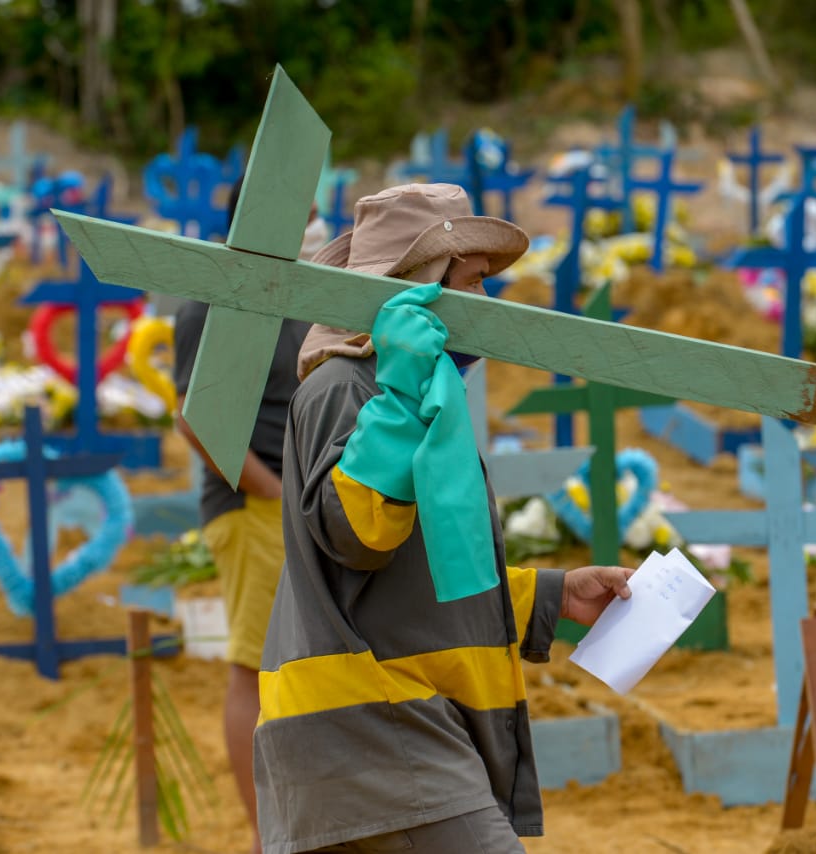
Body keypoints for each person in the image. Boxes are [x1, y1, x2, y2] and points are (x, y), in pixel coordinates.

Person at [253, 183, 636, 854]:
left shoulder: (406, 396)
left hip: (395, 725)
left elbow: (420, 577)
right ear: (420, 285)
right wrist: (399, 392)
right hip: (371, 728)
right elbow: (359, 535)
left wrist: (550, 595)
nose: (485, 306)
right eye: (473, 282)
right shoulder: (347, 389)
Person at [171, 178, 325, 854]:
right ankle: (265, 835)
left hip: (295, 502)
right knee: (256, 667)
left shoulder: (291, 292)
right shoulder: (215, 298)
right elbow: (197, 416)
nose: (316, 228)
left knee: (300, 666)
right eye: (308, 215)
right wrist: (267, 488)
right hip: (251, 505)